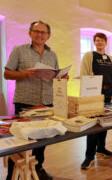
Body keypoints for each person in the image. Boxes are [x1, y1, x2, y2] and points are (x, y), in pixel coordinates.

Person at [4, 20, 59, 180]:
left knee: (42, 139)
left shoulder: (52, 54)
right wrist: (25, 74)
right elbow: (6, 74)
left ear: (48, 36)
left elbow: (54, 75)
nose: (40, 34)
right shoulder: (19, 50)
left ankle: (38, 168)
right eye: (37, 31)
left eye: (43, 32)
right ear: (30, 33)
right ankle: (12, 176)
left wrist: (61, 77)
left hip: (47, 103)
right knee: (19, 142)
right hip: (25, 103)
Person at [80, 32, 112, 170]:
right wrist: (86, 94)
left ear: (106, 42)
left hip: (108, 93)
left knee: (104, 122)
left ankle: (101, 148)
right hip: (94, 93)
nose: (99, 42)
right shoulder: (89, 56)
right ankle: (89, 156)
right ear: (94, 43)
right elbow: (84, 74)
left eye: (102, 40)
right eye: (97, 40)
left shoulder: (110, 58)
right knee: (93, 125)